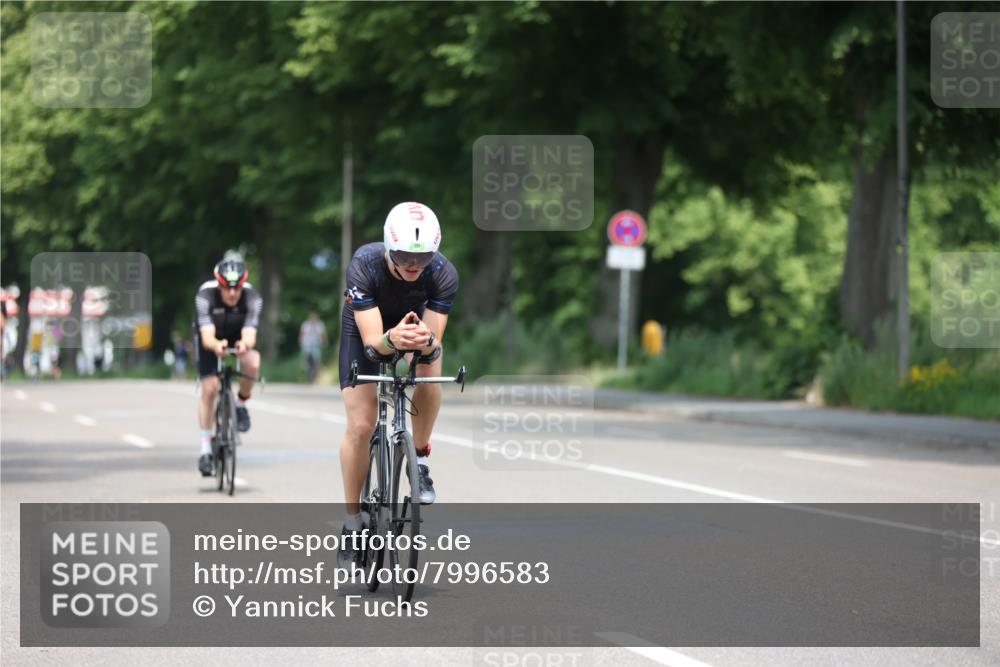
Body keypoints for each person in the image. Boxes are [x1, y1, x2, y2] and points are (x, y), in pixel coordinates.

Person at [336, 202, 458, 567]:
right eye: (405, 255)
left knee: (432, 363)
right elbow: (374, 342)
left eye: (422, 258)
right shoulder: (364, 264)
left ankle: (418, 459)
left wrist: (425, 342)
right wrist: (392, 339)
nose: (413, 266)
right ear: (389, 248)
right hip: (367, 328)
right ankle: (352, 521)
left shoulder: (443, 274)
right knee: (360, 425)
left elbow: (434, 342)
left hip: (410, 324)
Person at [193, 252, 263, 476]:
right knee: (210, 388)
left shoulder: (252, 297)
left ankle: (240, 404)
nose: (232, 293)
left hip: (237, 334)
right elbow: (206, 337)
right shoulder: (206, 295)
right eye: (226, 287)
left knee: (252, 362)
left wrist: (244, 345)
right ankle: (205, 448)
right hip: (211, 337)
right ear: (219, 284)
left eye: (237, 287)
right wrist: (216, 345)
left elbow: (250, 334)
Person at [299, 312, 327, 383]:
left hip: (316, 344)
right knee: (306, 356)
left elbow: (323, 334)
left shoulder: (319, 325)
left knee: (317, 359)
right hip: (307, 344)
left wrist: (324, 341)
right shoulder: (305, 325)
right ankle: (305, 365)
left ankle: (317, 372)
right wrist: (301, 341)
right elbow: (302, 334)